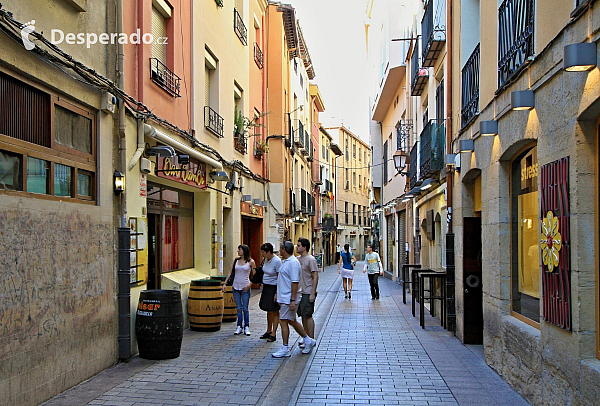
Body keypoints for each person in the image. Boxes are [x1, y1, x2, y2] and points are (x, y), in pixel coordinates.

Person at [271, 241, 317, 358]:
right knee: (291, 320)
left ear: (284, 249)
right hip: (285, 297)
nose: (279, 251)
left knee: (283, 321)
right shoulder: (286, 262)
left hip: (289, 298)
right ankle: (308, 340)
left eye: (280, 248)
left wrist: (292, 300)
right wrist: (277, 293)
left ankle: (285, 347)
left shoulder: (292, 263)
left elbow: (295, 282)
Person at [223, 244, 255, 336]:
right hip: (235, 286)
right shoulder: (236, 260)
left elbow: (255, 275)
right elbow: (231, 272)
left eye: (240, 250)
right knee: (238, 308)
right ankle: (239, 326)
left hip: (245, 286)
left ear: (244, 251)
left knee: (245, 308)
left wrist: (249, 285)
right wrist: (225, 283)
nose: (238, 251)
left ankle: (246, 326)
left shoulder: (251, 262)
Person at [296, 237, 319, 344]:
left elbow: (315, 276)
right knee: (303, 316)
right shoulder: (297, 259)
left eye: (299, 245)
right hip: (300, 292)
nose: (297, 246)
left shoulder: (310, 259)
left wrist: (312, 292)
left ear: (304, 247)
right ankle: (306, 338)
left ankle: (311, 338)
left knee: (308, 315)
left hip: (307, 291)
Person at [258, 242, 281, 342]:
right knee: (268, 309)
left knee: (275, 310)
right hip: (266, 287)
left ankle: (274, 333)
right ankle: (268, 330)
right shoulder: (266, 260)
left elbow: (279, 277)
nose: (262, 254)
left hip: (274, 287)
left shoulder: (277, 261)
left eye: (263, 252)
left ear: (269, 252)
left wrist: (277, 292)